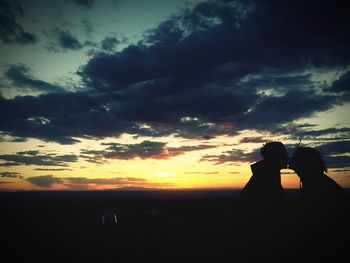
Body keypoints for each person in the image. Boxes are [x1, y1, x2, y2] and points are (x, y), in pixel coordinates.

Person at [240, 141, 288, 206]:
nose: (287, 157)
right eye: (283, 153)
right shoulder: (267, 179)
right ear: (275, 157)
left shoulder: (266, 174)